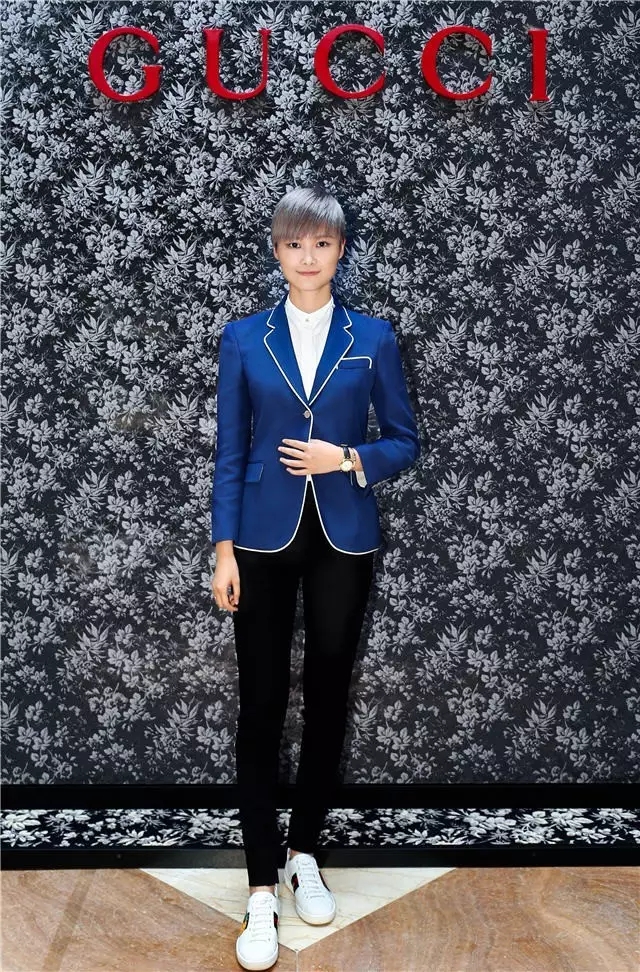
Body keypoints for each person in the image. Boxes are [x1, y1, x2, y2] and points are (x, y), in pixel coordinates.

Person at [210, 185, 420, 971]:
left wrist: (348, 457)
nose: (308, 257)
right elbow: (230, 450)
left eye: (322, 244)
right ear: (277, 252)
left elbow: (403, 440)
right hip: (260, 540)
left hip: (343, 537)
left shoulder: (374, 337)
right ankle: (262, 888)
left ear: (340, 251)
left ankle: (304, 855)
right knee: (262, 704)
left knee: (329, 696)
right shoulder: (243, 338)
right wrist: (223, 548)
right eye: (295, 244)